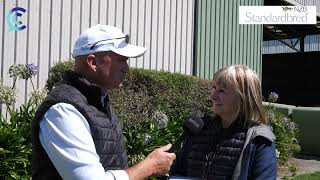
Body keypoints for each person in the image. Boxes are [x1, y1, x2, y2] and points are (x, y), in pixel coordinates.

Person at [32, 24, 176, 180]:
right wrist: (150, 166)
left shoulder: (97, 103)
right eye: (121, 60)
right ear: (93, 62)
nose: (126, 68)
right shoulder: (62, 110)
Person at [171, 65, 277, 179]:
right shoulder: (199, 129)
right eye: (214, 88)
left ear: (243, 97)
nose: (212, 96)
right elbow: (178, 172)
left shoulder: (259, 141)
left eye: (222, 91)